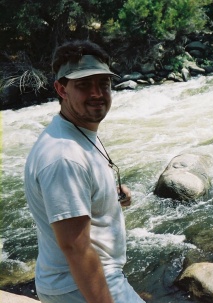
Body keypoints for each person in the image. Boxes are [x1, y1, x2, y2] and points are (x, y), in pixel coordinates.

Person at [24, 40, 145, 303]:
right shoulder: (64, 158)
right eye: (83, 85)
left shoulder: (77, 130)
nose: (97, 93)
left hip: (74, 280)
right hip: (80, 284)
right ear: (61, 89)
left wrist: (109, 196)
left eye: (103, 83)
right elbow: (75, 247)